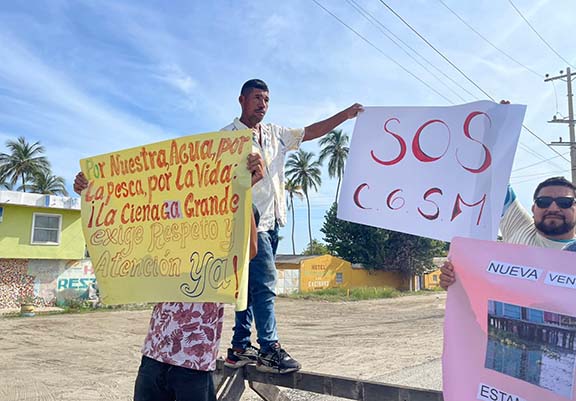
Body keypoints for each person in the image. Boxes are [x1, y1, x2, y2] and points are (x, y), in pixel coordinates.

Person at [73, 153, 264, 401]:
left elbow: (250, 249)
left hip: (194, 364)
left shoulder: (222, 256)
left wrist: (245, 191)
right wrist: (92, 194)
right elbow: (127, 223)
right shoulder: (171, 243)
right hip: (154, 356)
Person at [221, 79, 363, 374]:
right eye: (257, 98)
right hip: (248, 221)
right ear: (241, 100)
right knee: (264, 284)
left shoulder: (276, 134)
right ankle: (269, 348)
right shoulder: (226, 139)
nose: (262, 104)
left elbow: (311, 132)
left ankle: (239, 347)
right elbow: (219, 184)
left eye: (266, 99)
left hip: (273, 221)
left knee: (249, 287)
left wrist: (345, 115)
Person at [440, 176, 576, 289]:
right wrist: (456, 283)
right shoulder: (519, 226)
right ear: (533, 209)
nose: (553, 208)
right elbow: (494, 174)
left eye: (564, 202)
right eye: (543, 201)